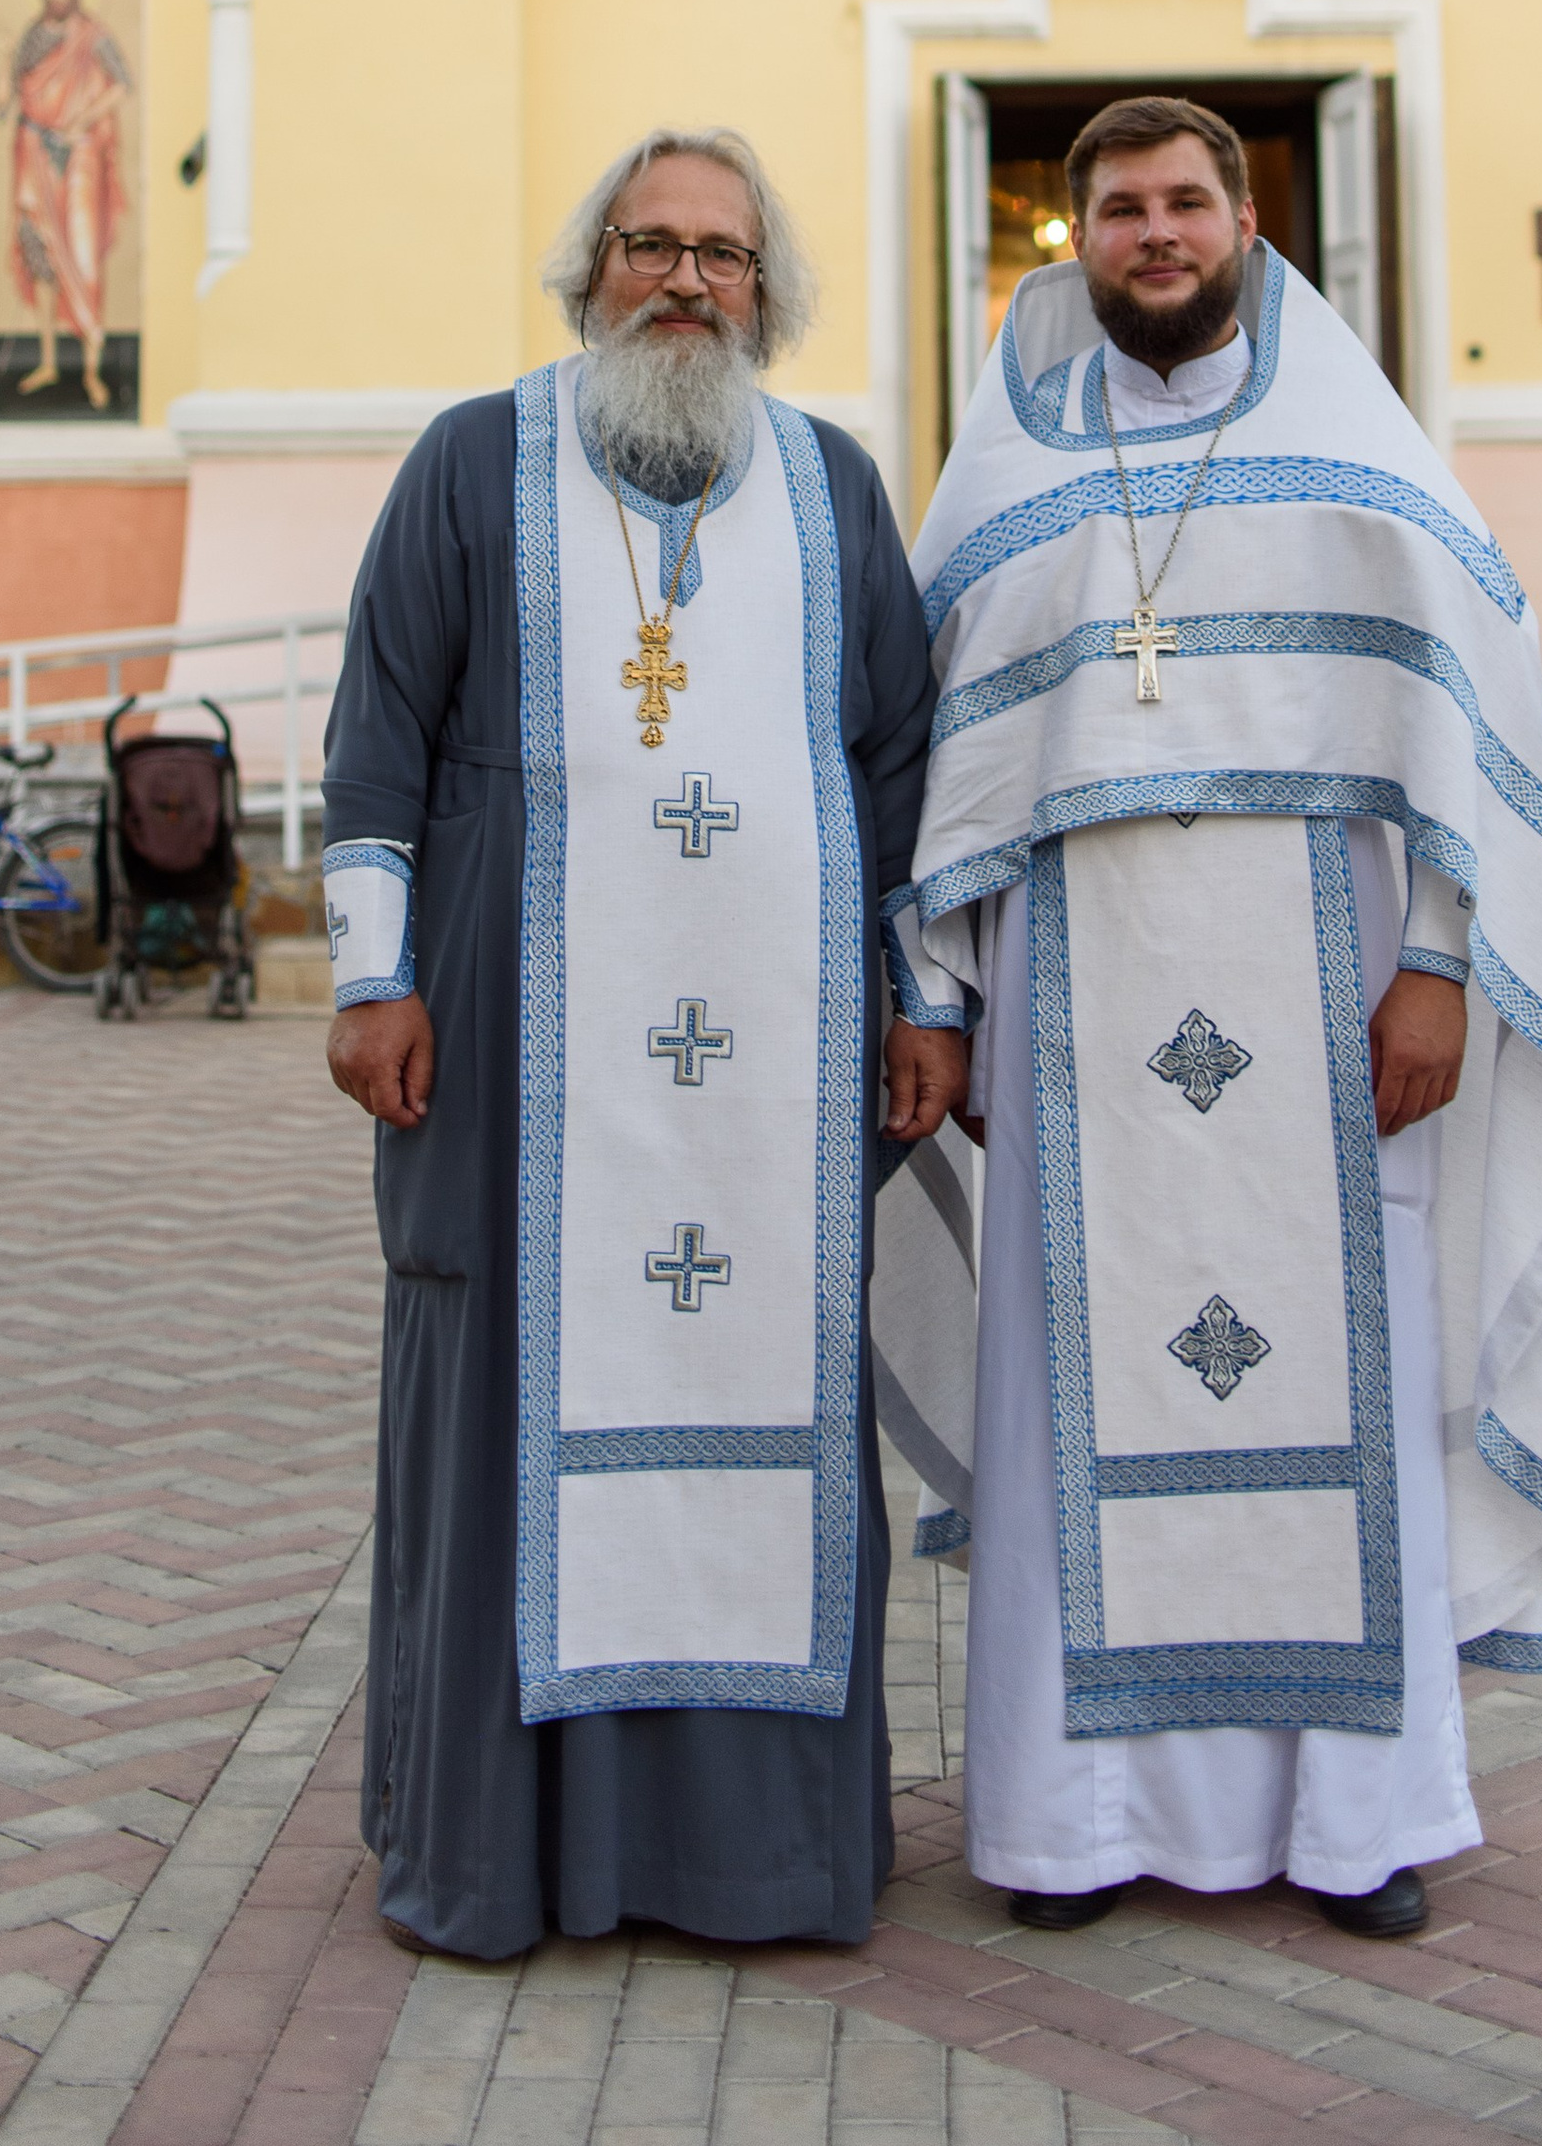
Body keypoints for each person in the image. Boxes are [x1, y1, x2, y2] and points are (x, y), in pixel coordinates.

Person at [892, 97, 1542, 1940]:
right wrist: (941, 1006)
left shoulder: (1361, 460)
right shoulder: (1002, 487)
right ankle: (1078, 1823)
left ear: (1246, 222)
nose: (1156, 233)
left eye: (1187, 202)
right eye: (1120, 208)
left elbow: (1464, 726)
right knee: (1076, 1391)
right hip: (1073, 1015)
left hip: (1332, 1009)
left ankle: (1356, 1826)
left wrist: (1445, 962)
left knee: (1346, 1376)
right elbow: (939, 780)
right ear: (1080, 240)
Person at [319, 127, 962, 1962]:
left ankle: (755, 1851)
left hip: (774, 1080)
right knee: (504, 1413)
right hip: (519, 1056)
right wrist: (376, 976)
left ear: (770, 296)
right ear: (589, 269)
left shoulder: (832, 487)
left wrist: (930, 1004)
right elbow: (378, 732)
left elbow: (899, 771)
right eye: (650, 244)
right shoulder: (473, 464)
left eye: (725, 257)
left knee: (766, 1410)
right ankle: (504, 1851)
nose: (686, 281)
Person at [0, 0, 130, 407]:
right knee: (41, 255)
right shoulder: (31, 37)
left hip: (78, 163)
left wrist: (83, 119)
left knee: (84, 258)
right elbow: (5, 101)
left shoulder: (93, 36)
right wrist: (3, 62)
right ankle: (49, 361)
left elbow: (121, 84)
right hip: (34, 156)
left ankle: (92, 370)